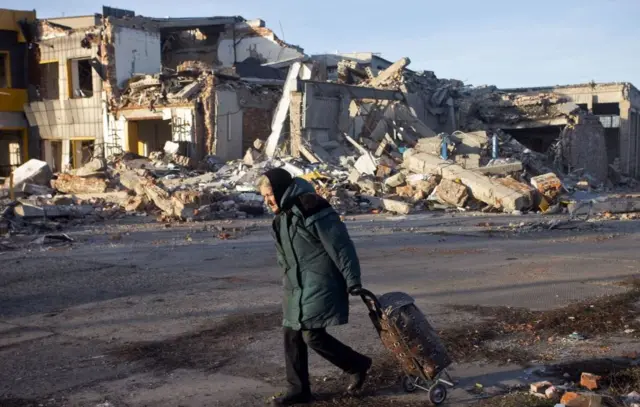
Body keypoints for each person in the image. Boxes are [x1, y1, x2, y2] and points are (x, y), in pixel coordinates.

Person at [257, 168, 372, 406]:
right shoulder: (281, 217)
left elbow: (340, 245)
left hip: (321, 281)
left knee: (311, 335)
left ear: (279, 190)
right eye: (264, 197)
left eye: (269, 195)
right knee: (291, 334)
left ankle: (357, 364)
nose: (267, 201)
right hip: (296, 286)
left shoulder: (311, 206)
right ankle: (298, 389)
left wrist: (353, 280)